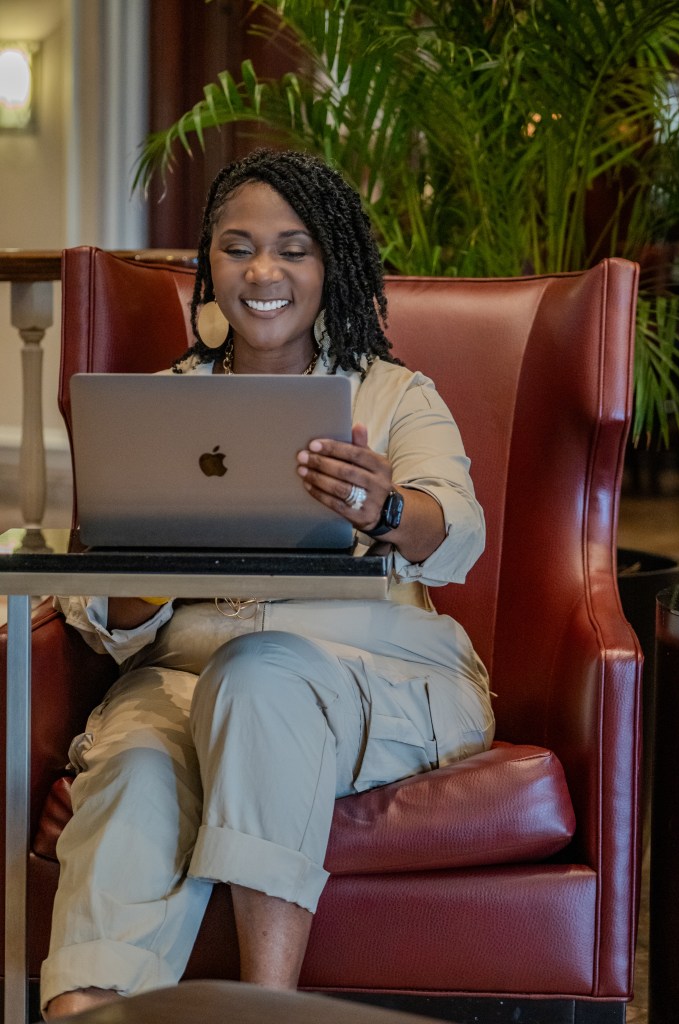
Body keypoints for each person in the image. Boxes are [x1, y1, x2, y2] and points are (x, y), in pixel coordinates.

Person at [42, 148, 494, 1018]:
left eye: (293, 248)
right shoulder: (162, 404)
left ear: (330, 265)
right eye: (236, 246)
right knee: (134, 763)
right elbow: (101, 612)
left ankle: (263, 1009)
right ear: (207, 268)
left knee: (259, 676)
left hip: (375, 672)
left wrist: (382, 505)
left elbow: (457, 529)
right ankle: (84, 1011)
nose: (262, 271)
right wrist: (148, 561)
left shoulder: (395, 394)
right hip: (182, 676)